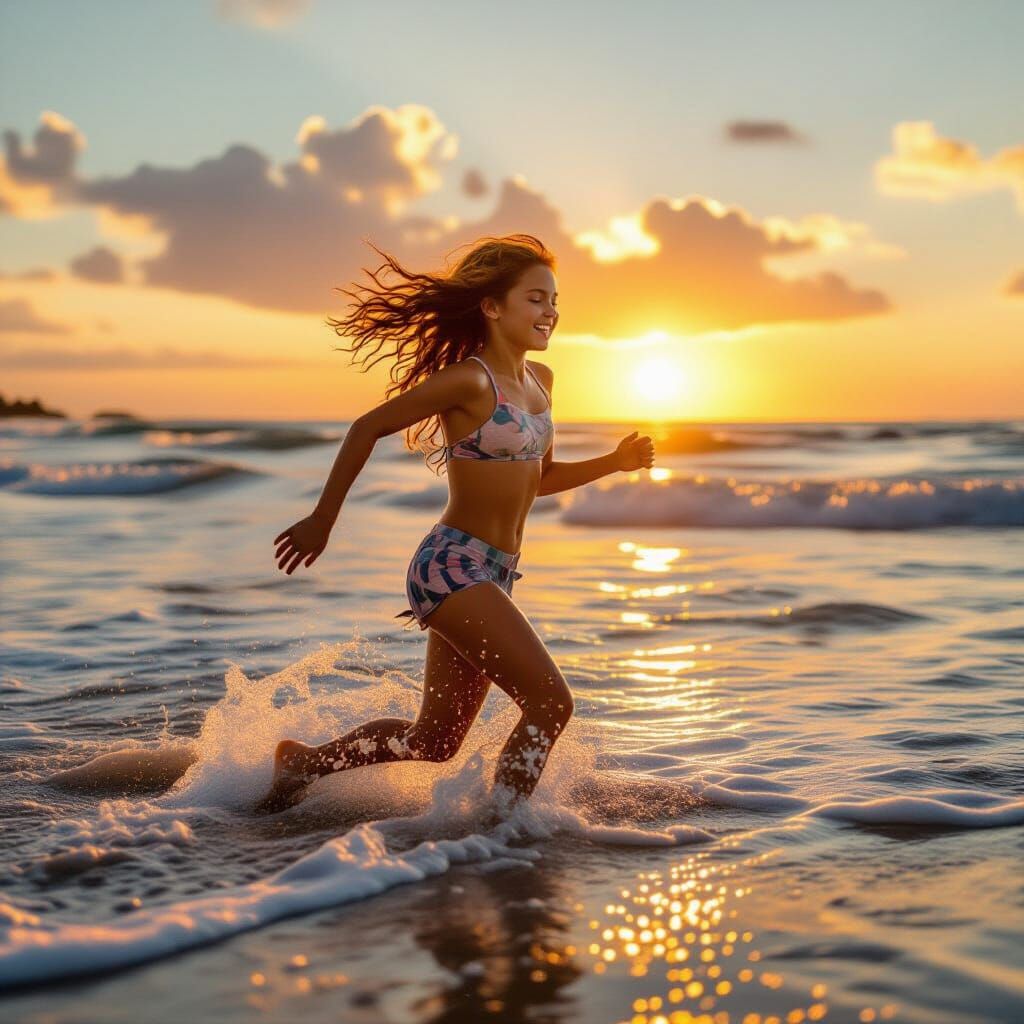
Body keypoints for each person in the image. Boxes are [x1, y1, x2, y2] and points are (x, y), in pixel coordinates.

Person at [257, 234, 654, 814]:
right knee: (550, 702)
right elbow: (366, 427)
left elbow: (537, 479)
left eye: (554, 300)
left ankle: (303, 763)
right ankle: (503, 836)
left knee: (434, 742)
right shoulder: (470, 381)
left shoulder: (542, 381)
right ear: (492, 307)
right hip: (452, 565)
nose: (551, 312)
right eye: (536, 298)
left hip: (495, 573)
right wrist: (323, 518)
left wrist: (613, 463)